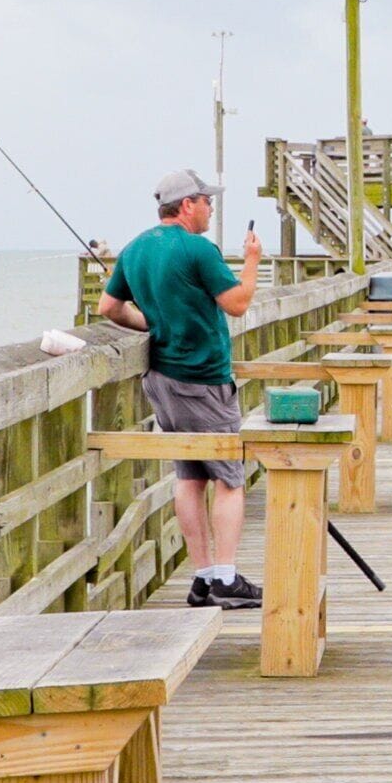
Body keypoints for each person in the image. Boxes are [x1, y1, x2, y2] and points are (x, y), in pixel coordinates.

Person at [98, 169, 265, 608]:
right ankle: (226, 580)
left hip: (161, 379)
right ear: (187, 205)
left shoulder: (135, 249)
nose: (211, 208)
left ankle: (203, 577)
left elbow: (109, 308)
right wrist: (251, 263)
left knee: (189, 475)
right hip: (204, 378)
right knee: (229, 477)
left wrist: (152, 324)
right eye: (207, 201)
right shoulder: (197, 249)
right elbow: (238, 303)